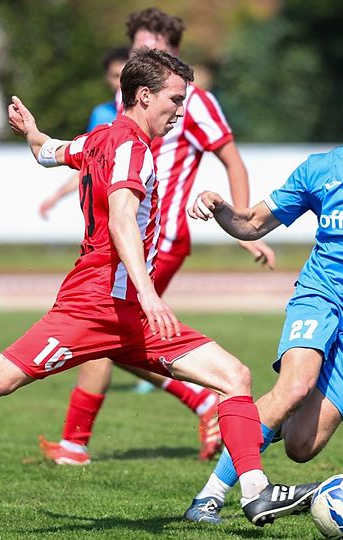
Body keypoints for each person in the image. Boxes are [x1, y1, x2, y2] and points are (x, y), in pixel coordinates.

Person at [0, 48, 313, 528]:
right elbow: (122, 220)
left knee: (234, 377)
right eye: (175, 100)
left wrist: (31, 132)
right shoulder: (131, 149)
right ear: (144, 96)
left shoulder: (99, 139)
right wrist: (149, 293)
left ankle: (253, 491)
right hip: (93, 306)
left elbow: (47, 152)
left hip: (129, 314)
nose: (181, 111)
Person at [182, 61, 343, 524]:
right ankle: (210, 497)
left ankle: (253, 422)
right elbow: (252, 224)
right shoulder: (320, 170)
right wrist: (220, 206)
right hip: (318, 296)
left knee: (303, 446)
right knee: (295, 386)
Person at [37, 7, 275, 467]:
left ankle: (76, 443)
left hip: (159, 240)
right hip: (131, 236)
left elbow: (233, 161)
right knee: (115, 336)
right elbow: (97, 156)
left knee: (104, 330)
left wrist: (244, 227)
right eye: (137, 48)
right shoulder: (127, 103)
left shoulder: (194, 102)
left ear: (174, 51)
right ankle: (194, 403)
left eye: (153, 47)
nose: (142, 55)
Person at [39, 47, 129, 220]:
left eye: (125, 76)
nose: (121, 83)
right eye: (115, 76)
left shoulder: (150, 114)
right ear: (106, 78)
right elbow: (89, 161)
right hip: (109, 208)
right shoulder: (102, 115)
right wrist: (57, 196)